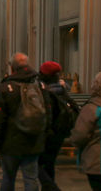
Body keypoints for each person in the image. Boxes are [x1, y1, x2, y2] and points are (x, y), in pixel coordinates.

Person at [0, 52, 47, 191]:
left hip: (10, 143)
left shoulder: (6, 88)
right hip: (33, 140)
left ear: (12, 68)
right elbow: (47, 114)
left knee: (8, 178)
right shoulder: (39, 86)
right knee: (31, 178)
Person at [37, 60, 79, 191]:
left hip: (48, 134)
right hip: (60, 135)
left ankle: (52, 188)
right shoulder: (62, 91)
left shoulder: (45, 93)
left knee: (34, 163)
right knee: (49, 165)